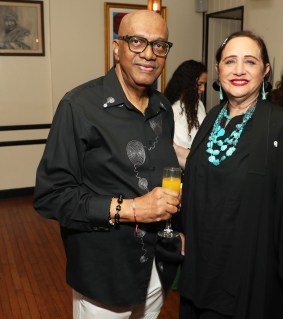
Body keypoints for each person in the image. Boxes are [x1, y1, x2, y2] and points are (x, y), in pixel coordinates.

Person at [174, 30, 283, 319]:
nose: (239, 70)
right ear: (218, 69)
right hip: (200, 273)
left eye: (250, 61)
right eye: (230, 61)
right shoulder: (211, 120)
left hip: (248, 279)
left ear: (266, 70)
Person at [33, 10, 182, 318]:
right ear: (117, 49)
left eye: (159, 45)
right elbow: (51, 196)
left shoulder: (163, 107)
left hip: (157, 268)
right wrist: (131, 209)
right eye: (137, 42)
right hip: (106, 274)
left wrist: (179, 230)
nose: (149, 54)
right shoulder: (79, 107)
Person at [164, 60, 208, 149]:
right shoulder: (171, 110)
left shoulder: (199, 104)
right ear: (188, 83)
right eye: (199, 84)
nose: (203, 89)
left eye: (204, 84)